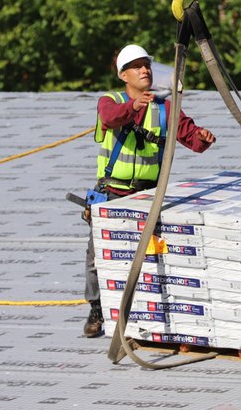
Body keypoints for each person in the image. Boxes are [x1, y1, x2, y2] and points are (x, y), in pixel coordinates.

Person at [83, 44, 216, 337]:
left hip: (147, 197)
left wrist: (202, 138)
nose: (145, 70)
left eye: (147, 65)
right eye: (137, 66)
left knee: (154, 254)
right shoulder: (110, 101)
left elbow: (189, 136)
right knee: (99, 258)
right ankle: (97, 309)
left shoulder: (164, 108)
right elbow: (111, 118)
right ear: (123, 75)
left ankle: (153, 310)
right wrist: (134, 107)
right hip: (112, 193)